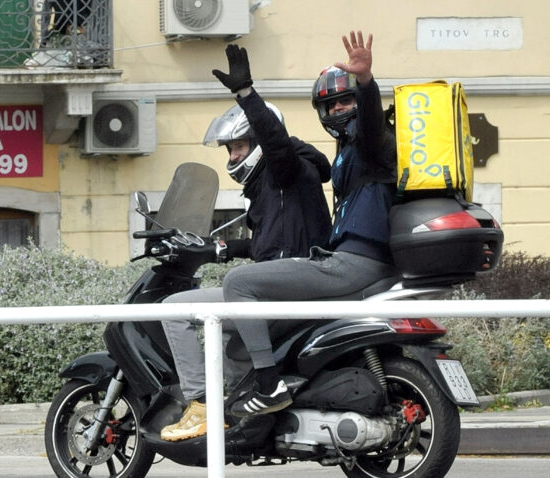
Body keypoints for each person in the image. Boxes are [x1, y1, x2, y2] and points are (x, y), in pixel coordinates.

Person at [159, 43, 333, 441]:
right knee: (222, 329)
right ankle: (240, 413)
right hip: (286, 281)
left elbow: (276, 141)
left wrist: (246, 95)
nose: (233, 155)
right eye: (230, 149)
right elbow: (271, 246)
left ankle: (200, 404)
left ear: (261, 143)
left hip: (287, 289)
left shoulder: (285, 171)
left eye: (238, 146)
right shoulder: (276, 189)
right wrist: (222, 248)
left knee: (172, 310)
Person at [223, 30, 398, 418]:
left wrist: (366, 83)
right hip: (350, 262)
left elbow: (366, 125)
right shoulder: (348, 153)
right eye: (330, 106)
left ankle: (269, 387)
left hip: (354, 264)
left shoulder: (374, 145)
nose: (338, 111)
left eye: (345, 101)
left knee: (237, 284)